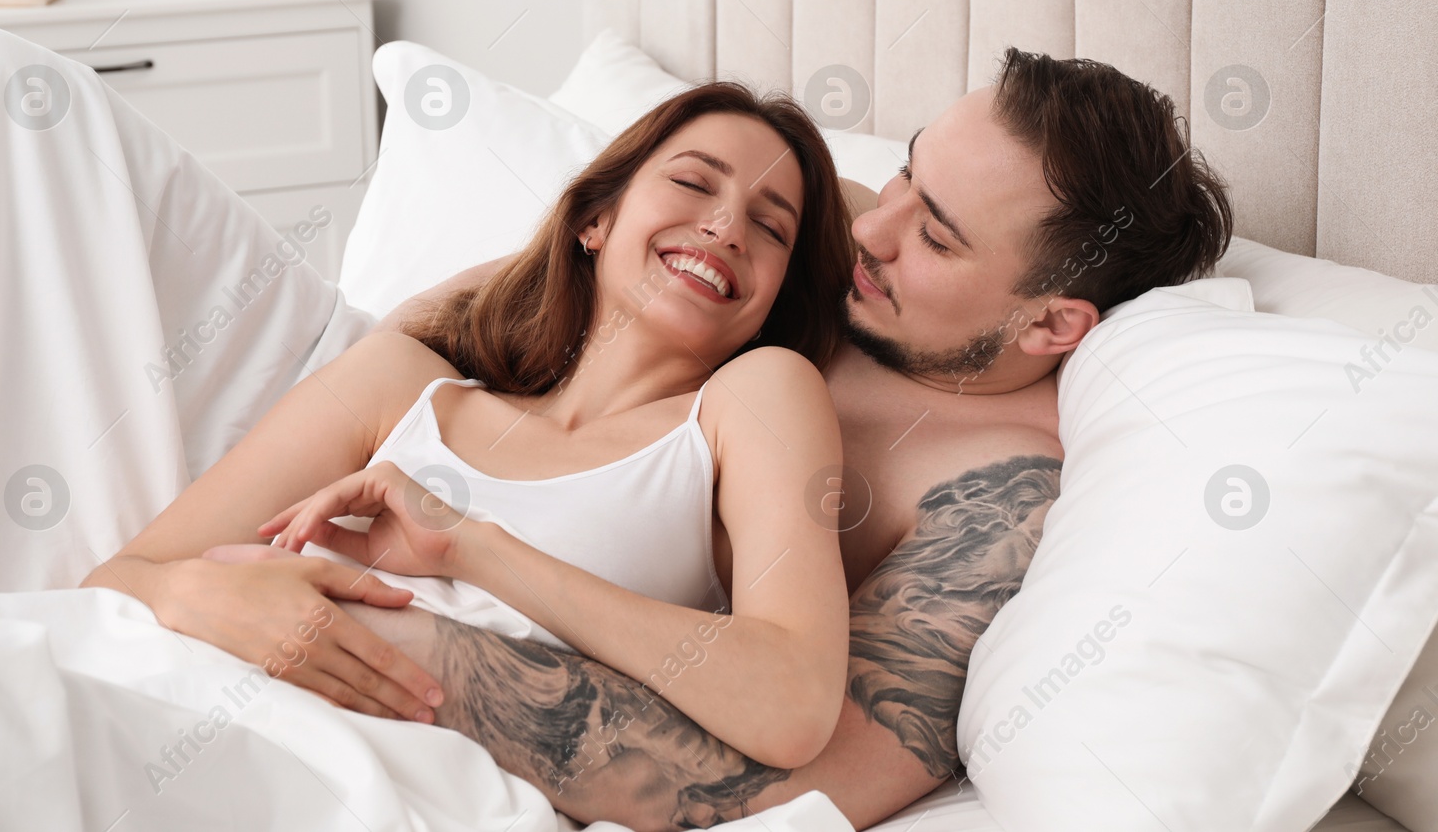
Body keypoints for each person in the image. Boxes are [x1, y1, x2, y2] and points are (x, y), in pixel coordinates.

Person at [336, 48, 1234, 831]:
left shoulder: (990, 498)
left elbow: (791, 782)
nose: (872, 228)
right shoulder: (837, 232)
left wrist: (364, 644)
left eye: (935, 235)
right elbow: (505, 306)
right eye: (907, 174)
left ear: (1051, 326)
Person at [83, 81, 863, 770]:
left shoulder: (755, 399)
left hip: (387, 777)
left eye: (771, 228)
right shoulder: (402, 383)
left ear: (773, 301)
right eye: (694, 182)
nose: (727, 228)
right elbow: (121, 580)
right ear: (595, 219)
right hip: (177, 693)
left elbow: (790, 701)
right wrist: (221, 603)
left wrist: (470, 544)